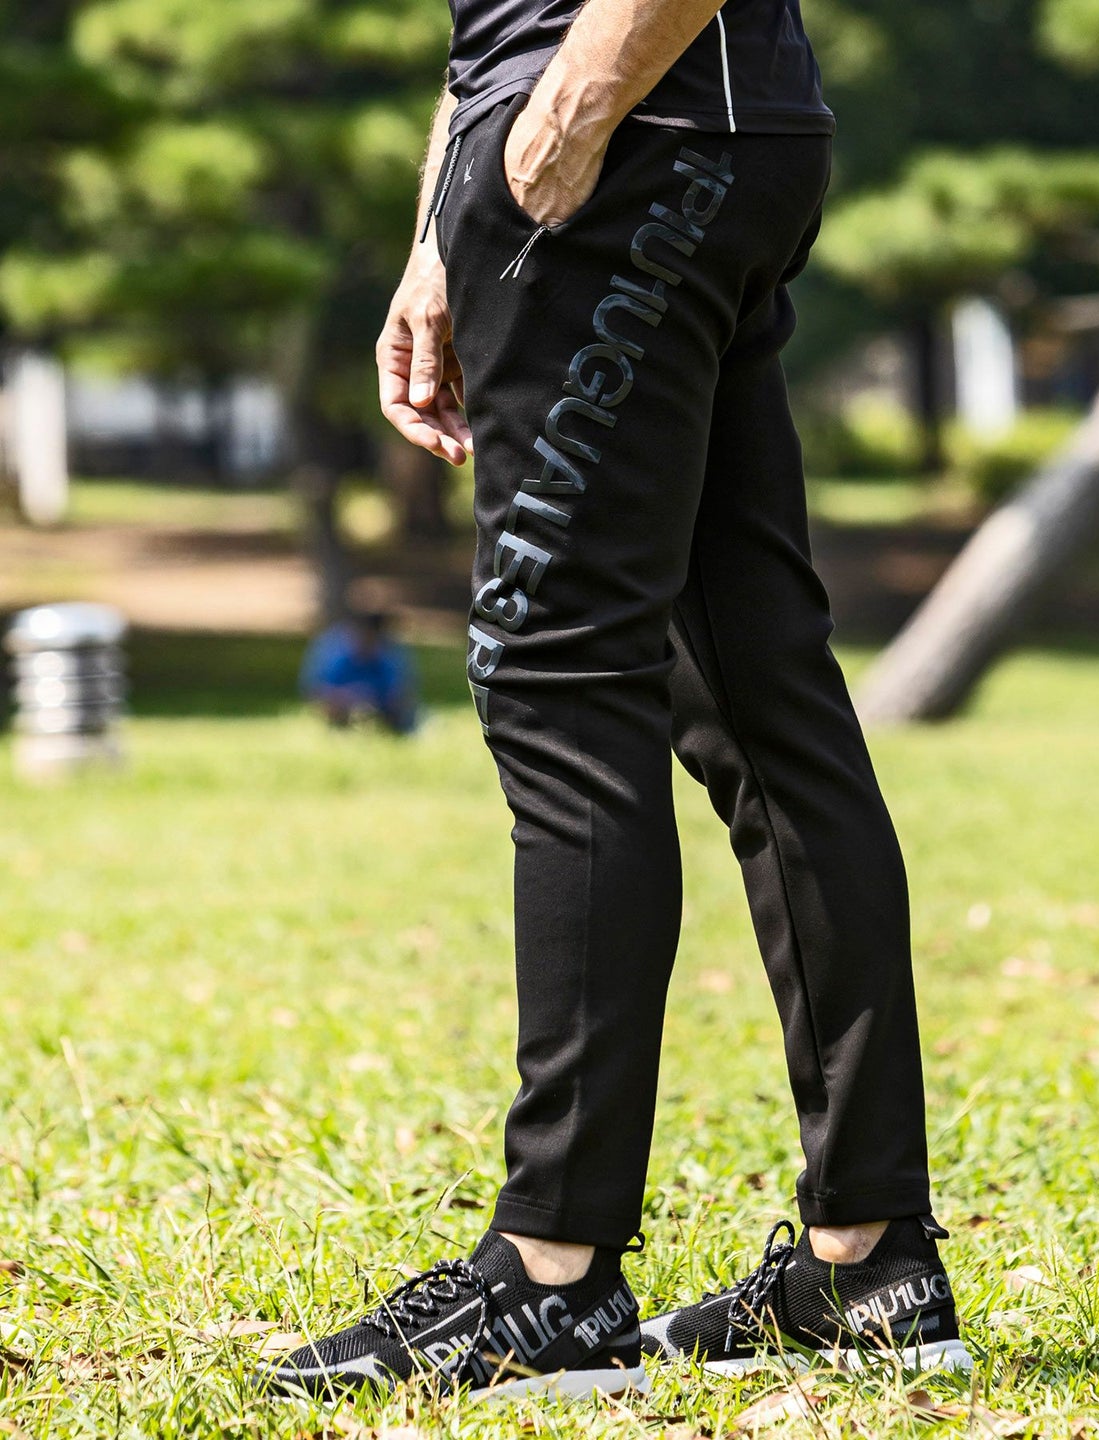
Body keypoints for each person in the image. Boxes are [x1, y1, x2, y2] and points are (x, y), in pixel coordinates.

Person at [265, 0, 970, 1402]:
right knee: (760, 698)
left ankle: (553, 1277)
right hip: (699, 131)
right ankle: (869, 1263)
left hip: (628, 136)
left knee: (562, 680)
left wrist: (571, 114)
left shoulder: (597, 119)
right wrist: (441, 230)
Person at [300, 610, 419, 734]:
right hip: (345, 703)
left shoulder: (389, 658)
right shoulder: (337, 654)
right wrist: (349, 696)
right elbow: (318, 690)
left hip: (379, 705)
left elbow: (402, 691)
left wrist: (377, 699)